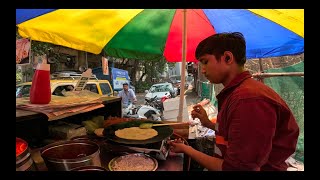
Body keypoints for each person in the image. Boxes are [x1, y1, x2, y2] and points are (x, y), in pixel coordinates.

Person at [168, 32, 299, 171]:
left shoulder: (248, 100)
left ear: (228, 58)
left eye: (205, 61)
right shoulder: (238, 93)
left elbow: (235, 168)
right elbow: (236, 135)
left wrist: (187, 150)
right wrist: (207, 123)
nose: (203, 69)